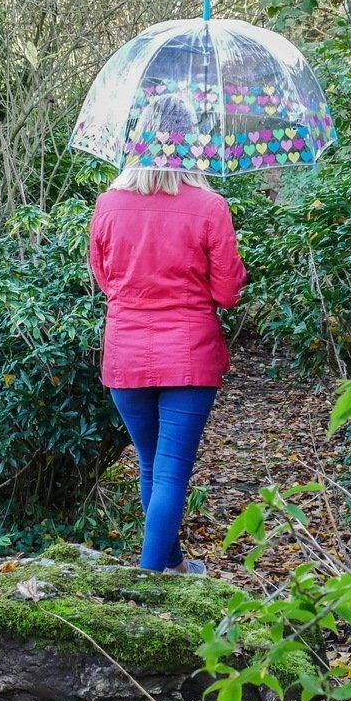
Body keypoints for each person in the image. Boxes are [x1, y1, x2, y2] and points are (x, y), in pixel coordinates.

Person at [88, 95, 247, 575]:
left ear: (137, 139)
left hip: (126, 356)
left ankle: (171, 563)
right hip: (188, 355)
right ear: (192, 144)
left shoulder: (108, 205)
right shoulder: (209, 207)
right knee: (171, 473)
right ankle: (149, 581)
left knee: (151, 466)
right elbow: (228, 293)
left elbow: (105, 279)